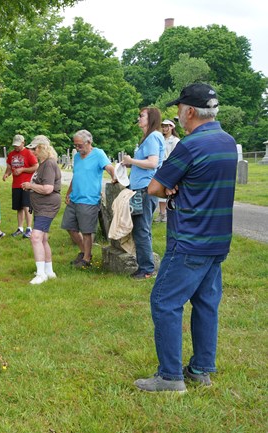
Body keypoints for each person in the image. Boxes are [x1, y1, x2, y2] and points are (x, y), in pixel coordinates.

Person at [134, 83, 237, 393]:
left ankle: (169, 377)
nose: (177, 115)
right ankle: (201, 370)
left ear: (190, 111)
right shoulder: (228, 141)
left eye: (179, 109)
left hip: (190, 238)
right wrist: (178, 185)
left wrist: (170, 187)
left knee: (164, 301)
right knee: (206, 303)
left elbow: (154, 187)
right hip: (217, 240)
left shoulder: (190, 145)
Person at [61, 130, 117, 268]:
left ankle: (86, 259)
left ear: (89, 142)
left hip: (89, 200)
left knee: (87, 231)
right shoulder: (78, 157)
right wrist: (68, 192)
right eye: (75, 145)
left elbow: (109, 167)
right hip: (75, 198)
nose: (77, 148)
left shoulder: (98, 154)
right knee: (69, 227)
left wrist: (114, 175)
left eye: (79, 145)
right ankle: (83, 251)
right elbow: (76, 175)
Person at [122, 107, 164, 279]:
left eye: (142, 116)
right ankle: (144, 267)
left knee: (142, 228)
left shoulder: (153, 136)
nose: (139, 118)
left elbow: (153, 163)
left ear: (151, 118)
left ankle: (147, 269)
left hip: (146, 189)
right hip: (140, 188)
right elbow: (145, 162)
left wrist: (131, 160)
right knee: (140, 228)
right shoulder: (148, 138)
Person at [20, 136, 62, 285]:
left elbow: (48, 189)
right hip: (41, 206)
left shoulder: (49, 164)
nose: (32, 152)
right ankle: (49, 271)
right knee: (43, 238)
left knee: (35, 237)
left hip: (47, 206)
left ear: (41, 148)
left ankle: (41, 274)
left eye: (34, 149)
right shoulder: (43, 164)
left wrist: (31, 186)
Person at [3, 134, 38, 238]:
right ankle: (20, 228)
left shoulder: (28, 153)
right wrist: (6, 174)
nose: (16, 147)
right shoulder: (11, 154)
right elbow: (9, 166)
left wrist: (23, 169)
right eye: (14, 145)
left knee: (27, 206)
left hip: (27, 184)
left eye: (18, 145)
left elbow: (36, 166)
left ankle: (29, 229)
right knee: (19, 208)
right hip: (16, 185)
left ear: (23, 143)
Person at [155, 119, 181, 222]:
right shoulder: (160, 139)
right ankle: (162, 213)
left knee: (170, 190)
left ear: (172, 127)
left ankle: (170, 212)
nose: (165, 128)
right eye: (163, 126)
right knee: (160, 190)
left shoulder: (175, 140)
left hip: (170, 166)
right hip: (160, 166)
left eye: (167, 126)